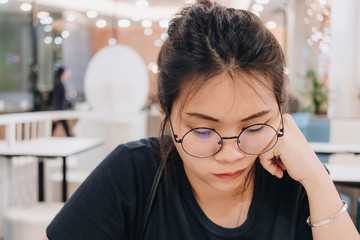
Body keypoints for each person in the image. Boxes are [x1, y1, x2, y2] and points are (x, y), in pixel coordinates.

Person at [45, 1, 359, 239]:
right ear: (166, 114)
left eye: (253, 126)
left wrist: (317, 178)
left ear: (279, 112)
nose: (232, 154)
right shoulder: (132, 174)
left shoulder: (296, 180)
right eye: (205, 131)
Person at [50, 66, 71, 137]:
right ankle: (69, 137)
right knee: (61, 126)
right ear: (62, 73)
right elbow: (56, 99)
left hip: (61, 110)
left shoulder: (61, 82)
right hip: (59, 110)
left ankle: (69, 137)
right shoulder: (58, 83)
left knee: (63, 126)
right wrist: (55, 112)